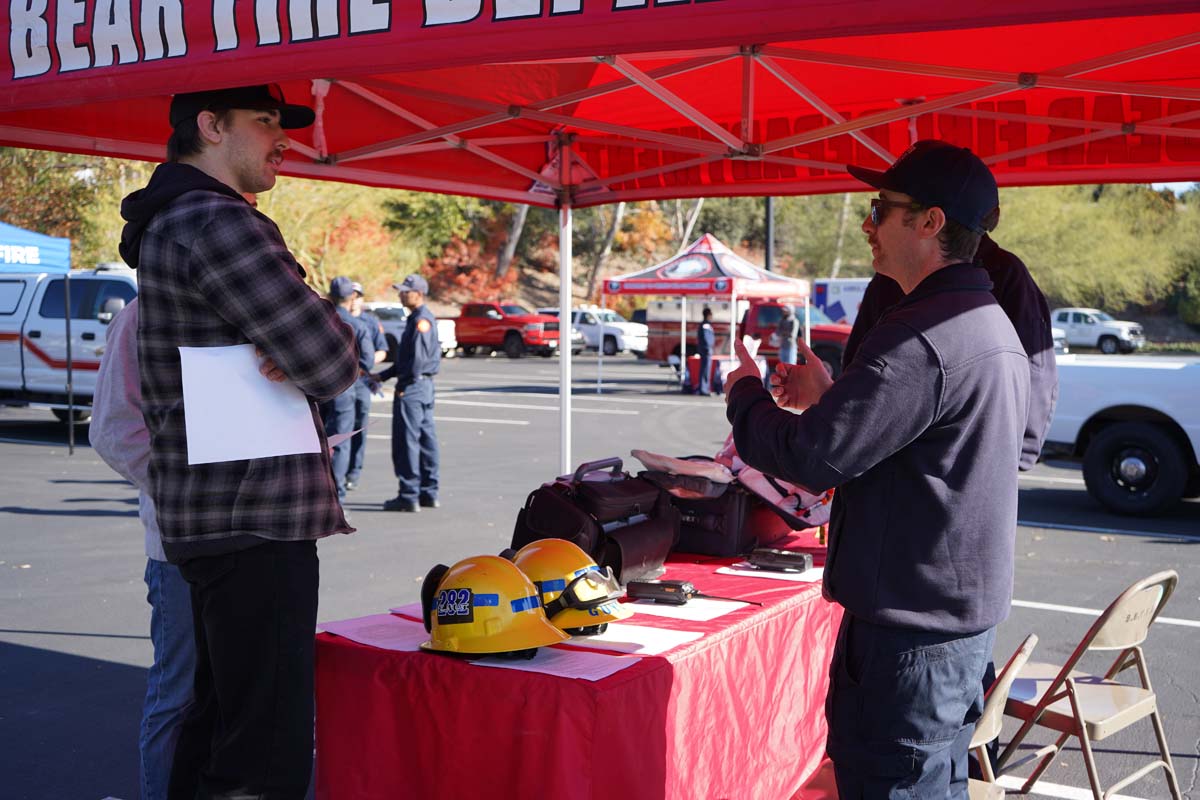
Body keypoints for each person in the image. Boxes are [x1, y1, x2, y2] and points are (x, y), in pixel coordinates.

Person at [723, 139, 1030, 799]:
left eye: (880, 208)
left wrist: (744, 393)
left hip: (910, 644)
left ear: (931, 222)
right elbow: (917, 446)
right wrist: (835, 400)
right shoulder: (986, 322)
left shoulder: (925, 332)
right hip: (948, 632)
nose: (868, 224)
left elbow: (810, 458)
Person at [118, 83, 360, 799]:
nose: (283, 139)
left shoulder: (177, 221)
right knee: (264, 751)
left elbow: (310, 353)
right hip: (254, 518)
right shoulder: (219, 222)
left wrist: (295, 342)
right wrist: (309, 333)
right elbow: (331, 359)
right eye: (265, 121)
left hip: (217, 517)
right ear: (211, 126)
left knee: (220, 725)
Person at [90, 298, 196, 800]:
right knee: (180, 692)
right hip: (180, 548)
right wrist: (183, 490)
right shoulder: (140, 316)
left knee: (237, 694)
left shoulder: (244, 304)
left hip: (253, 541)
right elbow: (113, 430)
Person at [844, 235, 1058, 472]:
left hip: (954, 469)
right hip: (885, 463)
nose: (868, 225)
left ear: (931, 222)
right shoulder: (887, 278)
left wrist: (1018, 451)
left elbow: (1032, 369)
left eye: (880, 214)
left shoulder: (1005, 272)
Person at [375, 274, 441, 512]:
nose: (401, 295)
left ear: (419, 294)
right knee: (425, 440)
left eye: (406, 291)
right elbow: (407, 360)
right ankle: (428, 492)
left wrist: (404, 383)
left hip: (414, 387)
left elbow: (416, 362)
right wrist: (382, 376)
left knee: (408, 442)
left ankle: (409, 494)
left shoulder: (420, 320)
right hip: (423, 386)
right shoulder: (419, 318)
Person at [322, 276, 377, 500]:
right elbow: (368, 361)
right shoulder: (357, 325)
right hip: (345, 388)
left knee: (319, 441)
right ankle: (337, 493)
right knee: (340, 441)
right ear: (351, 297)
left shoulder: (319, 321)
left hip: (319, 387)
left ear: (330, 295)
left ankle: (322, 488)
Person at [346, 282, 388, 491]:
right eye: (351, 295)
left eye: (358, 296)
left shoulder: (370, 322)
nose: (354, 300)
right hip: (342, 380)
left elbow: (382, 350)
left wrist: (366, 362)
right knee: (337, 426)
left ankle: (353, 472)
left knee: (358, 427)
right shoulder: (336, 317)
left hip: (362, 380)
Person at [695, 306, 715, 395]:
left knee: (706, 369)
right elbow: (706, 338)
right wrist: (708, 348)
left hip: (706, 350)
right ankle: (703, 389)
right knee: (705, 370)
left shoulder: (706, 325)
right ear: (708, 315)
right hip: (706, 350)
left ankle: (705, 388)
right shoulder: (706, 325)